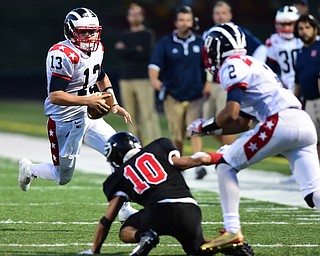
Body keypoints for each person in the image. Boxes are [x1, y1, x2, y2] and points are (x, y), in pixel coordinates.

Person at [187, 23, 320, 253]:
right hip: (302, 122)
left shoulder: (231, 65)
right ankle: (232, 232)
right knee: (314, 193)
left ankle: (232, 230)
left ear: (219, 48)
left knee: (226, 164)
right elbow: (243, 122)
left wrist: (204, 124)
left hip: (280, 122)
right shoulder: (254, 64)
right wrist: (208, 130)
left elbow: (231, 113)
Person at [17, 7, 136, 222]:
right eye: (84, 32)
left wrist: (114, 104)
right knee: (62, 177)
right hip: (64, 120)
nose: (90, 36)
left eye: (93, 31)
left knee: (120, 153)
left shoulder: (98, 48)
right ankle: (29, 168)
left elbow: (101, 75)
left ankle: (124, 208)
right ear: (70, 31)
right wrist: (88, 100)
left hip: (89, 117)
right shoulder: (62, 54)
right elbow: (55, 96)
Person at [79, 131, 253, 255]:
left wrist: (95, 250)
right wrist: (220, 156)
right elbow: (193, 160)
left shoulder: (119, 176)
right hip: (189, 209)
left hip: (158, 211)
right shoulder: (159, 146)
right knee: (197, 249)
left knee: (126, 229)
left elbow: (106, 220)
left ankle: (145, 237)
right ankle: (232, 247)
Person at [148, 6, 209, 179]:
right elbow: (154, 65)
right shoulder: (165, 42)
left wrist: (208, 84)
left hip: (195, 94)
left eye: (188, 20)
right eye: (181, 20)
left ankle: (198, 164)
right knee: (177, 133)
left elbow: (208, 65)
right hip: (173, 95)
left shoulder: (200, 42)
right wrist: (154, 80)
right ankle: (179, 165)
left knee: (196, 129)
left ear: (192, 22)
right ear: (175, 22)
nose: (185, 23)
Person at [202, 0, 267, 147]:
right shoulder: (210, 33)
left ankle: (230, 153)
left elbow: (261, 49)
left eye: (223, 13)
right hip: (215, 82)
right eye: (217, 13)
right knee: (209, 122)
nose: (220, 16)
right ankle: (229, 150)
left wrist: (249, 71)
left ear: (230, 15)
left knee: (227, 118)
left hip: (231, 83)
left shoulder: (236, 32)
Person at [115, 3, 161, 145]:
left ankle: (156, 145)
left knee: (148, 114)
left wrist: (128, 50)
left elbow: (146, 53)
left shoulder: (147, 34)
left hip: (143, 78)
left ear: (142, 16)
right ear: (128, 17)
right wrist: (136, 49)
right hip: (126, 79)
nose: (134, 16)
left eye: (137, 13)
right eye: (132, 14)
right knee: (130, 115)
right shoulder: (124, 34)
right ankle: (135, 146)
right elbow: (119, 53)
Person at [294, 14, 320, 159]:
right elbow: (298, 81)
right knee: (313, 140)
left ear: (315, 29)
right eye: (301, 28)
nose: (304, 31)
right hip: (309, 101)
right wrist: (295, 104)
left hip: (319, 98)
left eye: (307, 27)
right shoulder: (300, 53)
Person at [266, 5, 303, 93]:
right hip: (286, 87)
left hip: (305, 83)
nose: (286, 28)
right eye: (282, 24)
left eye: (290, 24)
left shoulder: (304, 38)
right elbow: (272, 69)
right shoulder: (273, 41)